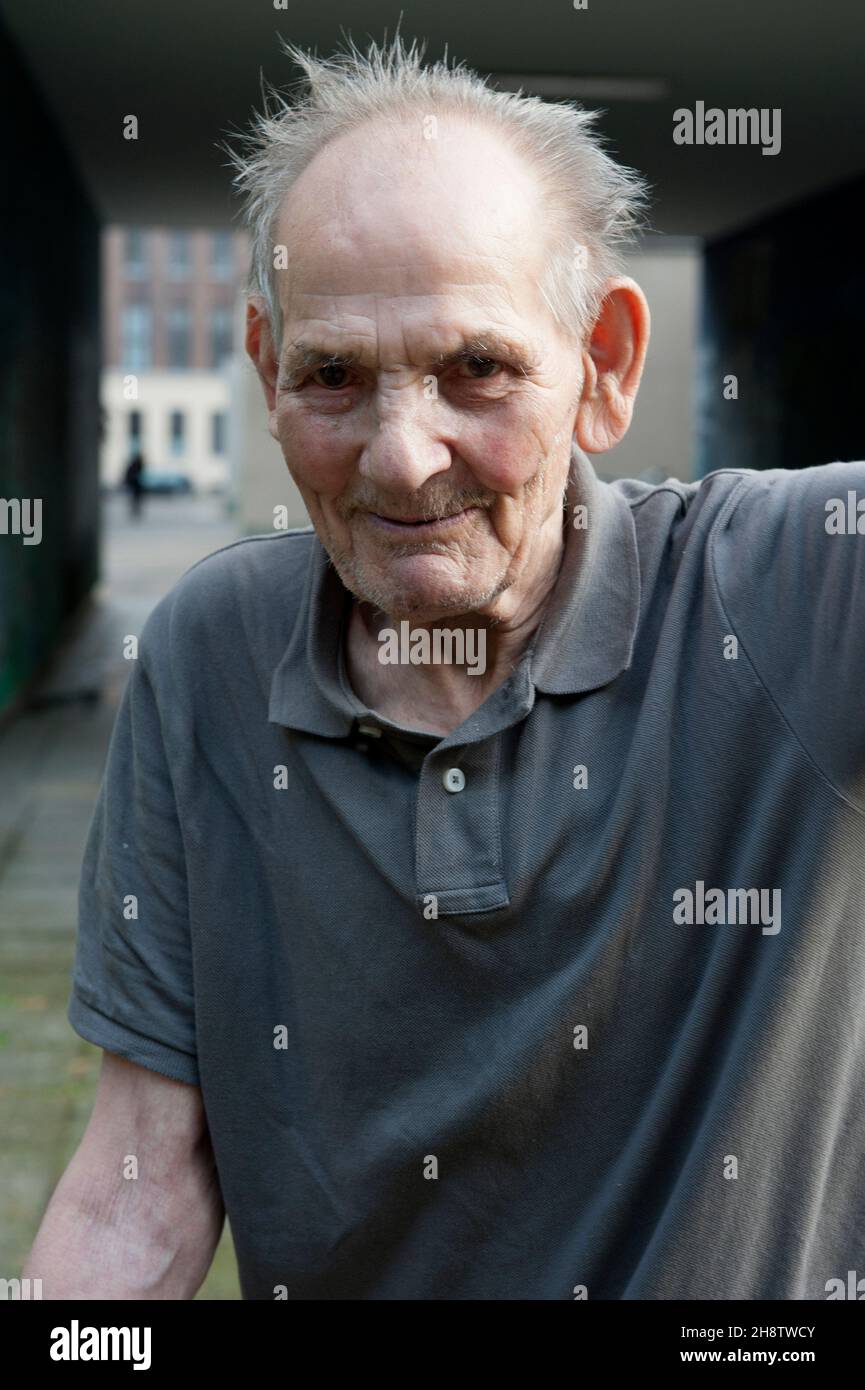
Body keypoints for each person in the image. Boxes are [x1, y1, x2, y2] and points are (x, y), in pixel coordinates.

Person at [25, 34, 865, 1300]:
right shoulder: (210, 650)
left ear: (607, 364)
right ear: (264, 366)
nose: (403, 457)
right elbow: (141, 1174)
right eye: (334, 376)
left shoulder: (797, 586)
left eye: (477, 370)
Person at [124, 452, 145, 519]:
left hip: (134, 484)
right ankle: (135, 511)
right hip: (135, 484)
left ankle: (135, 511)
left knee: (135, 499)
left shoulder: (135, 464)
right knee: (135, 499)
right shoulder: (137, 465)